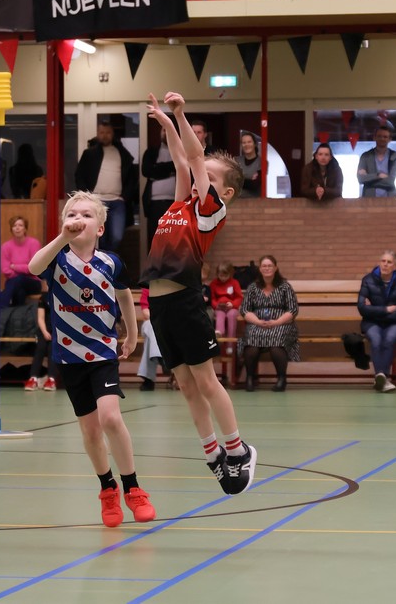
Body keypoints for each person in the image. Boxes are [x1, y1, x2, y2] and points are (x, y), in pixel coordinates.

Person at [141, 92, 257, 495]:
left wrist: (180, 114)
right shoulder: (180, 204)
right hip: (160, 306)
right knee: (186, 386)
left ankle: (238, 448)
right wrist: (165, 124)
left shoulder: (210, 212)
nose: (197, 176)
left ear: (225, 193)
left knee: (206, 382)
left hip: (185, 302)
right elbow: (181, 160)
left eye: (208, 175)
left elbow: (192, 157)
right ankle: (214, 456)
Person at [27, 190, 155, 528]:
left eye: (86, 215)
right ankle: (107, 489)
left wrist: (132, 334)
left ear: (99, 228)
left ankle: (133, 488)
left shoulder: (111, 262)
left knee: (110, 418)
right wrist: (61, 237)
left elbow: (124, 297)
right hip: (69, 356)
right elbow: (33, 266)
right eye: (72, 214)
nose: (78, 219)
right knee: (91, 430)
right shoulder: (56, 259)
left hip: (102, 352)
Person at [74, 120, 138, 252]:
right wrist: (87, 196)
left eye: (108, 132)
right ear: (98, 133)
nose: (105, 135)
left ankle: (107, 257)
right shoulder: (90, 153)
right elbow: (79, 175)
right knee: (100, 237)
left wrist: (124, 197)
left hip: (117, 201)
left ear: (112, 134)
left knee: (117, 236)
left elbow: (132, 178)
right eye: (102, 132)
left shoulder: (122, 153)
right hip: (96, 201)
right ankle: (103, 260)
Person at [239, 256, 300, 393]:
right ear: (260, 269)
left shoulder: (285, 286)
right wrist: (258, 322)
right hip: (257, 323)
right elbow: (244, 310)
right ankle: (250, 378)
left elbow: (293, 310)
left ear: (275, 268)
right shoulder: (253, 287)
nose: (267, 268)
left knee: (276, 337)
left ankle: (281, 379)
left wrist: (277, 322)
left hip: (281, 324)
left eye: (270, 266)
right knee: (251, 336)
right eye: (264, 266)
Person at [358, 250, 396, 392]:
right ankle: (383, 378)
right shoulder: (367, 280)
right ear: (379, 263)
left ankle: (380, 377)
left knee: (389, 339)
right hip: (372, 323)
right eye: (383, 261)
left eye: (389, 262)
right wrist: (386, 310)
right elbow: (362, 308)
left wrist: (374, 310)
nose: (385, 264)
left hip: (395, 323)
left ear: (395, 266)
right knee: (376, 339)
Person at [141, 126, 176, 251]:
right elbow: (146, 171)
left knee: (174, 239)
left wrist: (157, 169)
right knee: (156, 239)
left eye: (169, 129)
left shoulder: (180, 151)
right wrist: (171, 169)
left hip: (175, 203)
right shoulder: (151, 152)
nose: (166, 133)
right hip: (154, 203)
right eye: (164, 130)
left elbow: (185, 169)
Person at [0, 215, 42, 308]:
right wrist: (24, 269)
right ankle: (17, 316)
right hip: (14, 282)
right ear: (11, 229)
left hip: (33, 283)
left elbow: (34, 268)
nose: (17, 228)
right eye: (14, 226)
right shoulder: (5, 246)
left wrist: (15, 267)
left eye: (20, 225)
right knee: (19, 292)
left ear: (25, 228)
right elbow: (5, 270)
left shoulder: (34, 243)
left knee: (18, 280)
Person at [25, 290, 58, 392]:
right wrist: (45, 332)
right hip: (44, 331)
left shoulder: (62, 295)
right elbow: (40, 318)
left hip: (57, 332)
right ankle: (33, 378)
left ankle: (51, 379)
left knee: (52, 350)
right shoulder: (44, 297)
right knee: (40, 349)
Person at [357, 126, 396, 197]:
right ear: (374, 137)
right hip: (369, 199)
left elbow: (390, 181)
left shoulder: (394, 156)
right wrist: (378, 175)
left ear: (390, 139)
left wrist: (369, 180)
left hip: (390, 198)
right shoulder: (365, 156)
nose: (382, 139)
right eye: (379, 136)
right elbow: (361, 179)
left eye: (385, 137)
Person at [137, 287, 163, 391]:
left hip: (167, 326)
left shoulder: (172, 287)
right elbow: (146, 313)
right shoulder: (147, 289)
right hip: (150, 323)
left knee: (150, 341)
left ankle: (148, 380)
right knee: (152, 326)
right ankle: (161, 357)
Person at [210, 262, 242, 344]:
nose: (223, 278)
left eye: (225, 276)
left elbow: (239, 297)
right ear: (217, 274)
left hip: (232, 308)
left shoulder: (234, 282)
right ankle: (219, 334)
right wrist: (216, 305)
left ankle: (230, 342)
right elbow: (212, 298)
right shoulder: (214, 283)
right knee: (220, 315)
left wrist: (233, 304)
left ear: (230, 274)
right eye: (221, 276)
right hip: (219, 308)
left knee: (231, 315)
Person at [236, 132, 262, 198]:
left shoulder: (262, 162)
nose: (246, 145)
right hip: (237, 201)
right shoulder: (236, 161)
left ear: (255, 144)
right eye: (244, 143)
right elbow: (231, 181)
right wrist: (249, 180)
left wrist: (239, 179)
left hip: (254, 201)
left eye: (249, 142)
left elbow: (255, 185)